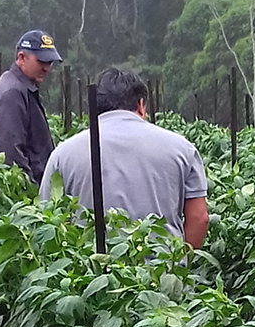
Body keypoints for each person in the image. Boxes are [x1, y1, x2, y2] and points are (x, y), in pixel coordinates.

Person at [39, 65, 209, 247]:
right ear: (140, 105)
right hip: (161, 270)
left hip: (89, 272)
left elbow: (49, 220)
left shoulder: (63, 154)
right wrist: (178, 264)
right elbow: (199, 218)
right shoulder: (182, 149)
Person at [0, 30, 60, 185]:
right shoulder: (13, 93)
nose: (47, 68)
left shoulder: (20, 86)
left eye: (50, 62)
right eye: (41, 61)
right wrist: (32, 195)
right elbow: (10, 154)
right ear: (22, 58)